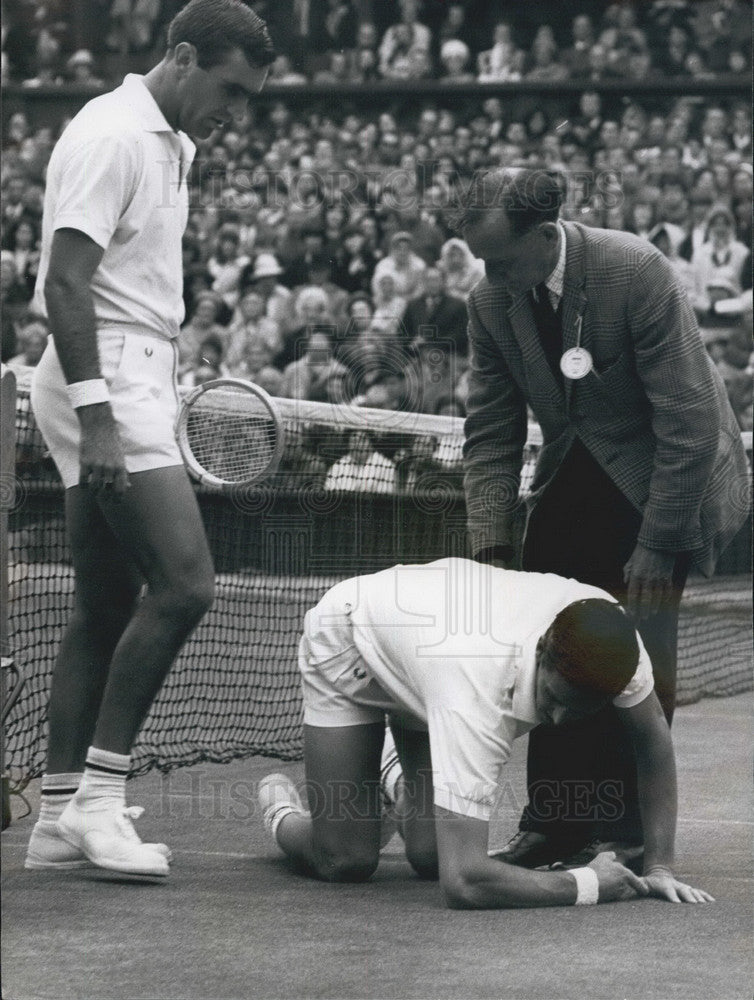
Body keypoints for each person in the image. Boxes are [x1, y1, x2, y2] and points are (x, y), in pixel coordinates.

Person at [25, 0, 275, 879]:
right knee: (185, 585)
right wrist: (99, 414)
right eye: (231, 91)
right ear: (183, 56)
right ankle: (99, 800)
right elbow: (63, 283)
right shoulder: (114, 136)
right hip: (104, 379)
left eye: (249, 99)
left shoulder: (173, 141)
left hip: (132, 370)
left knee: (104, 604)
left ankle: (57, 817)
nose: (236, 113)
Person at [457, 168, 748, 870]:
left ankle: (629, 832)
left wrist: (658, 542)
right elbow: (491, 431)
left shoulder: (636, 270)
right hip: (573, 470)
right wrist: (491, 545)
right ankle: (553, 825)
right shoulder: (490, 301)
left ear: (545, 235)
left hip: (668, 471)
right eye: (481, 262)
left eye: (501, 260)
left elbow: (688, 423)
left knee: (639, 653)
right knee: (551, 645)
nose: (490, 276)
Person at [257, 558, 713, 908]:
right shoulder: (477, 694)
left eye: (577, 711)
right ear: (542, 650)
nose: (556, 720)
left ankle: (395, 773)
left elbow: (653, 744)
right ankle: (279, 804)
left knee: (430, 856)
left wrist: (660, 865)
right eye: (553, 698)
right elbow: (464, 882)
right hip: (352, 638)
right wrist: (589, 884)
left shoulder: (617, 648)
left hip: (432, 651)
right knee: (345, 860)